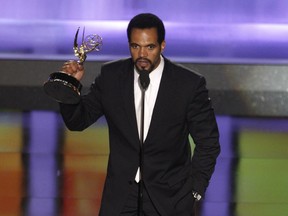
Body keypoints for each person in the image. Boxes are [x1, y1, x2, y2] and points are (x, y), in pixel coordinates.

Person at [59, 13, 220, 216]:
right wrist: (69, 86)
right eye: (135, 46)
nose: (142, 54)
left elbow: (209, 142)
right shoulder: (111, 77)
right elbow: (78, 121)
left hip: (170, 198)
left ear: (162, 45)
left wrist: (195, 190)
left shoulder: (188, 84)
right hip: (121, 197)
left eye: (149, 47)